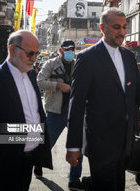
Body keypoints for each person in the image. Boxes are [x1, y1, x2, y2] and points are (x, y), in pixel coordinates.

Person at [65, 7, 140, 191]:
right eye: (116, 27)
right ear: (102, 28)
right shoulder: (87, 58)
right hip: (100, 143)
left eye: (124, 27)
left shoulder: (128, 57)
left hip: (125, 142)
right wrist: (72, 145)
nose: (122, 32)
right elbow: (76, 104)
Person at [0, 30, 52, 191]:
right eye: (30, 53)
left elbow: (35, 114)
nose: (34, 59)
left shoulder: (31, 76)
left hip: (26, 163)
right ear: (12, 49)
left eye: (36, 53)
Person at [35, 39, 85, 190]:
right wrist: (58, 85)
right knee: (47, 144)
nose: (69, 51)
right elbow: (39, 82)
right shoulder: (50, 64)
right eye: (66, 49)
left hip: (75, 112)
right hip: (55, 112)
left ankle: (74, 180)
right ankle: (38, 162)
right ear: (60, 51)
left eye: (72, 49)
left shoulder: (79, 64)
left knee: (78, 147)